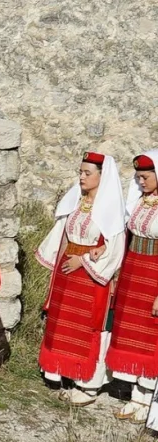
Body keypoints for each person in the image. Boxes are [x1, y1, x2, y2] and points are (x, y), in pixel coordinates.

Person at [36, 152, 127, 406]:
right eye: (80, 172)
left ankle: (88, 384)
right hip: (67, 273)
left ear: (102, 176)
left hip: (91, 277)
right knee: (64, 321)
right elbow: (64, 232)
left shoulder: (110, 210)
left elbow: (115, 249)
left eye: (88, 173)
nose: (82, 177)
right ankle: (63, 371)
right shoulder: (76, 201)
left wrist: (84, 260)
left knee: (87, 326)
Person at [105, 151, 158, 423]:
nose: (141, 182)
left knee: (149, 333)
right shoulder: (139, 202)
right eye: (138, 177)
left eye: (145, 177)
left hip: (153, 275)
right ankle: (133, 392)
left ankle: (145, 396)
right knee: (130, 329)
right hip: (133, 271)